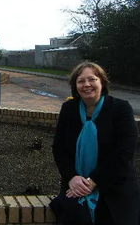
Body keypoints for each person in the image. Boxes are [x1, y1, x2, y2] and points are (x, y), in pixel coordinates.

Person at [51, 61, 140, 225]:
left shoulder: (120, 109)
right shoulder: (69, 109)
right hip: (75, 185)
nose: (87, 85)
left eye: (92, 79)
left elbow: (124, 152)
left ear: (102, 82)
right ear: (75, 86)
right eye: (81, 81)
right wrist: (71, 177)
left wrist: (93, 182)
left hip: (115, 185)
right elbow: (59, 148)